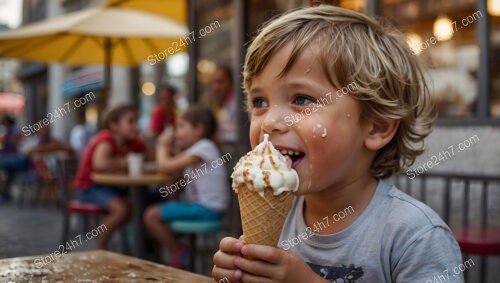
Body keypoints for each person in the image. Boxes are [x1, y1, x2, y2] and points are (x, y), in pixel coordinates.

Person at [212, 6, 463, 283]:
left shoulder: (414, 236)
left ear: (377, 127)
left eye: (302, 99)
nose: (270, 121)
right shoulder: (279, 219)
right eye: (260, 102)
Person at [143, 106, 229, 268]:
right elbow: (173, 165)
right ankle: (175, 252)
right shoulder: (199, 149)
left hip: (207, 209)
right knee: (160, 204)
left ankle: (177, 252)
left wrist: (162, 146)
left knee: (151, 215)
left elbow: (165, 166)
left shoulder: (204, 147)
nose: (176, 132)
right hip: (204, 207)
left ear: (198, 129)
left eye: (181, 126)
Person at [73, 104, 146, 249]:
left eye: (137, 122)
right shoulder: (106, 139)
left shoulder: (131, 141)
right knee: (121, 209)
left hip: (110, 187)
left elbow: (150, 156)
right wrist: (124, 162)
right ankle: (101, 248)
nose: (135, 126)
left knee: (137, 207)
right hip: (89, 187)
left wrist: (144, 140)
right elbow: (100, 164)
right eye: (131, 122)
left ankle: (137, 248)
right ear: (114, 125)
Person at [205, 65, 238, 143]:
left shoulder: (239, 104)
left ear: (231, 82)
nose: (216, 87)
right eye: (212, 83)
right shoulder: (215, 104)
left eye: (220, 82)